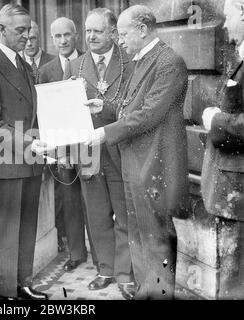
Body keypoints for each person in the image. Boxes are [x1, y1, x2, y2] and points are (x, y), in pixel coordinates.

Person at [85, 5, 190, 299]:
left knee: (155, 238)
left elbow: (148, 114)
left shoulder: (169, 62)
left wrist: (104, 132)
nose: (120, 41)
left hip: (155, 167)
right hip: (135, 163)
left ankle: (158, 295)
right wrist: (104, 109)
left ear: (143, 30)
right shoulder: (142, 60)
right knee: (139, 236)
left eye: (123, 34)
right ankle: (148, 292)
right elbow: (131, 107)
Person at [0, 4, 48, 300]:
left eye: (28, 29)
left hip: (31, 160)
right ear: (1, 30)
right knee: (6, 232)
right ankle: (6, 294)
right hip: (7, 163)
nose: (27, 36)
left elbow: (35, 111)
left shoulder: (25, 64)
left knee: (27, 225)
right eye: (20, 30)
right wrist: (31, 143)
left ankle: (23, 284)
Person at [63, 8, 133, 295]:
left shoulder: (129, 62)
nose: (90, 36)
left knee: (124, 212)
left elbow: (134, 108)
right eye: (88, 30)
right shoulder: (75, 66)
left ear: (113, 33)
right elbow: (65, 113)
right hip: (88, 152)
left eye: (98, 31)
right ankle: (105, 269)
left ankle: (125, 273)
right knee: (97, 212)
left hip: (120, 148)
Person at [201, 0, 244, 299]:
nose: (225, 25)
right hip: (233, 187)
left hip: (238, 190)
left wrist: (214, 119)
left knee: (234, 276)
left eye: (229, 17)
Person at [38, 17, 88, 272]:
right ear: (52, 38)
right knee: (69, 199)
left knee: (96, 199)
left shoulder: (89, 62)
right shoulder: (46, 71)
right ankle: (77, 253)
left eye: (67, 35)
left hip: (91, 144)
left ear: (76, 35)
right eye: (57, 36)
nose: (63, 41)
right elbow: (44, 111)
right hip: (63, 146)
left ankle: (103, 255)